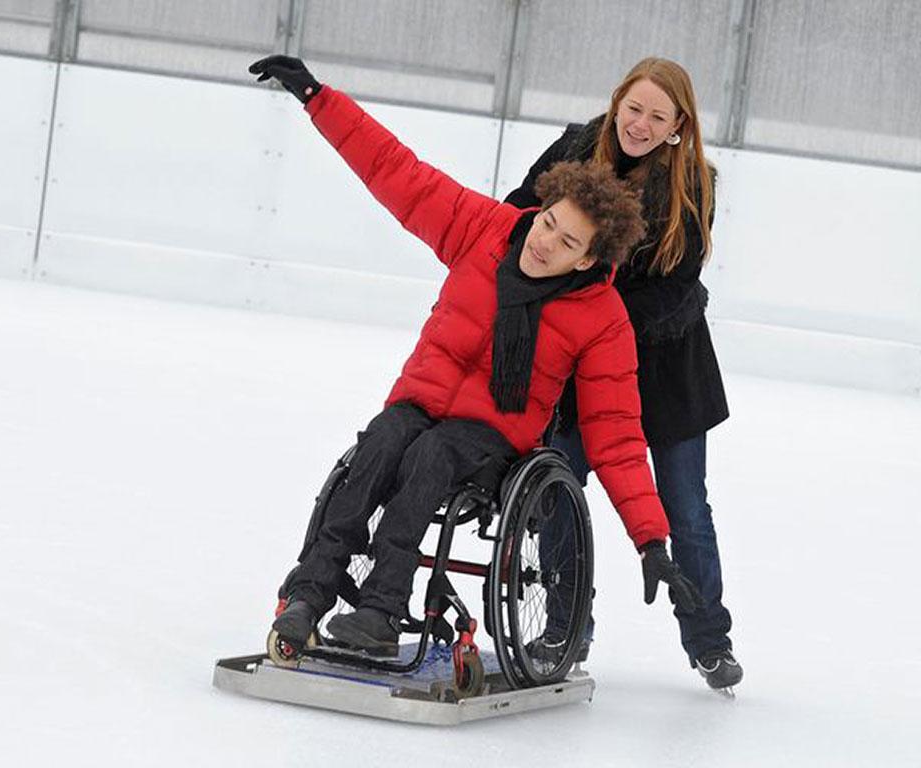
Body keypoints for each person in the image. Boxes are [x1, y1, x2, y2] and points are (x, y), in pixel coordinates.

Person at [248, 55, 703, 659]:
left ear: (590, 259)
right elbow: (396, 172)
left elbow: (615, 434)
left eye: (567, 242)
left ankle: (381, 610)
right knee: (382, 441)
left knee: (431, 455)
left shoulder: (601, 317)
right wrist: (317, 98)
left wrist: (650, 540)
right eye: (548, 223)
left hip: (492, 436)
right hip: (420, 404)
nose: (544, 243)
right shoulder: (483, 228)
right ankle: (309, 594)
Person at [504, 57, 741, 691]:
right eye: (633, 108)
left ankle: (708, 638)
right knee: (557, 486)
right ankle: (565, 628)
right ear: (617, 103)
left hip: (666, 368)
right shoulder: (577, 148)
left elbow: (676, 285)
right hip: (583, 366)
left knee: (685, 510)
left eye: (658, 116)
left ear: (678, 125)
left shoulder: (693, 183)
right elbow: (519, 212)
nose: (641, 124)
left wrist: (592, 315)